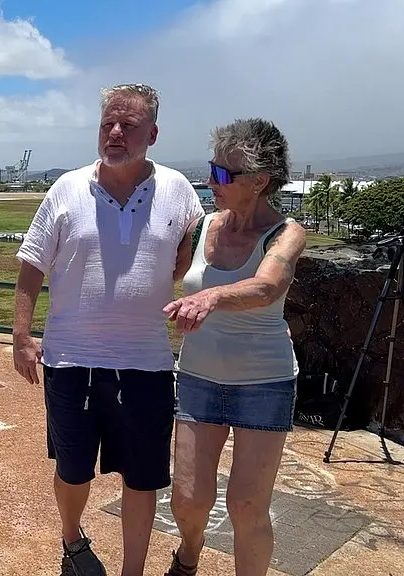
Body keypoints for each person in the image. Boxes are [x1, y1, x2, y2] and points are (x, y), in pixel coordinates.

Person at [12, 83, 206, 576]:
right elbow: (32, 264)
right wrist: (21, 336)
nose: (115, 133)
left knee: (142, 479)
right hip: (70, 360)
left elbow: (191, 254)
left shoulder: (179, 190)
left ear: (152, 134)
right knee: (72, 470)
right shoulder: (66, 188)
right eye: (107, 124)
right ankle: (72, 538)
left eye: (128, 125)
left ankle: (131, 570)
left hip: (147, 364)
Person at [161, 118, 305, 576]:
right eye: (212, 168)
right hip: (199, 378)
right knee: (187, 498)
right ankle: (189, 552)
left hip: (264, 383)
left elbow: (267, 287)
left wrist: (211, 297)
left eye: (223, 173)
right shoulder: (202, 227)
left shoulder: (286, 233)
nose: (211, 181)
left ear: (259, 181)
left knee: (247, 505)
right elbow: (160, 270)